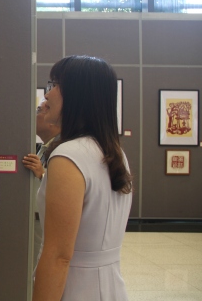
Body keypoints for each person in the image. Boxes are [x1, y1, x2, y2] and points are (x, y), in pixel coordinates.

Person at [33, 55, 133, 301]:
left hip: (74, 287)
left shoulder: (68, 155)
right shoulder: (113, 152)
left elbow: (58, 256)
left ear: (77, 94)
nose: (47, 95)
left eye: (55, 85)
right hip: (110, 285)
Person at [22, 98, 60, 180]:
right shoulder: (44, 147)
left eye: (38, 111)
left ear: (53, 119)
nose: (33, 116)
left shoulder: (62, 151)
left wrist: (41, 174)